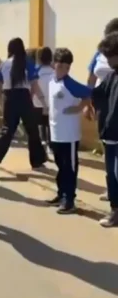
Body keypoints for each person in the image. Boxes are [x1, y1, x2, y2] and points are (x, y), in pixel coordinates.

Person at [0, 37, 48, 174]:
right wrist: (42, 102)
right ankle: (37, 161)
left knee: (7, 130)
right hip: (24, 97)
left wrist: (2, 102)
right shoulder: (28, 62)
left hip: (9, 97)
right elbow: (34, 85)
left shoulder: (4, 64)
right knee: (32, 130)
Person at [44, 48, 92, 215]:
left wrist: (80, 107)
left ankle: (69, 200)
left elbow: (89, 94)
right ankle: (61, 194)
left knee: (70, 168)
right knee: (60, 166)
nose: (64, 70)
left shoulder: (69, 83)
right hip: (55, 132)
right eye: (60, 66)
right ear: (53, 65)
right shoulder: (51, 82)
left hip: (69, 135)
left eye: (67, 67)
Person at [85, 18, 118, 203]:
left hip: (116, 106)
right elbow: (90, 78)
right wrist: (88, 102)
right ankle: (111, 188)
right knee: (108, 150)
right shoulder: (99, 53)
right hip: (103, 107)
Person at [91, 32, 118, 228]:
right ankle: (115, 211)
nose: (108, 60)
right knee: (112, 175)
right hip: (109, 136)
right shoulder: (111, 76)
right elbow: (96, 94)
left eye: (111, 56)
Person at [34, 47, 55, 149]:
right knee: (50, 125)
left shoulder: (35, 72)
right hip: (52, 104)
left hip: (37, 103)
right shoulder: (55, 72)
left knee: (40, 125)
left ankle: (42, 144)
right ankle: (51, 146)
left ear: (38, 58)